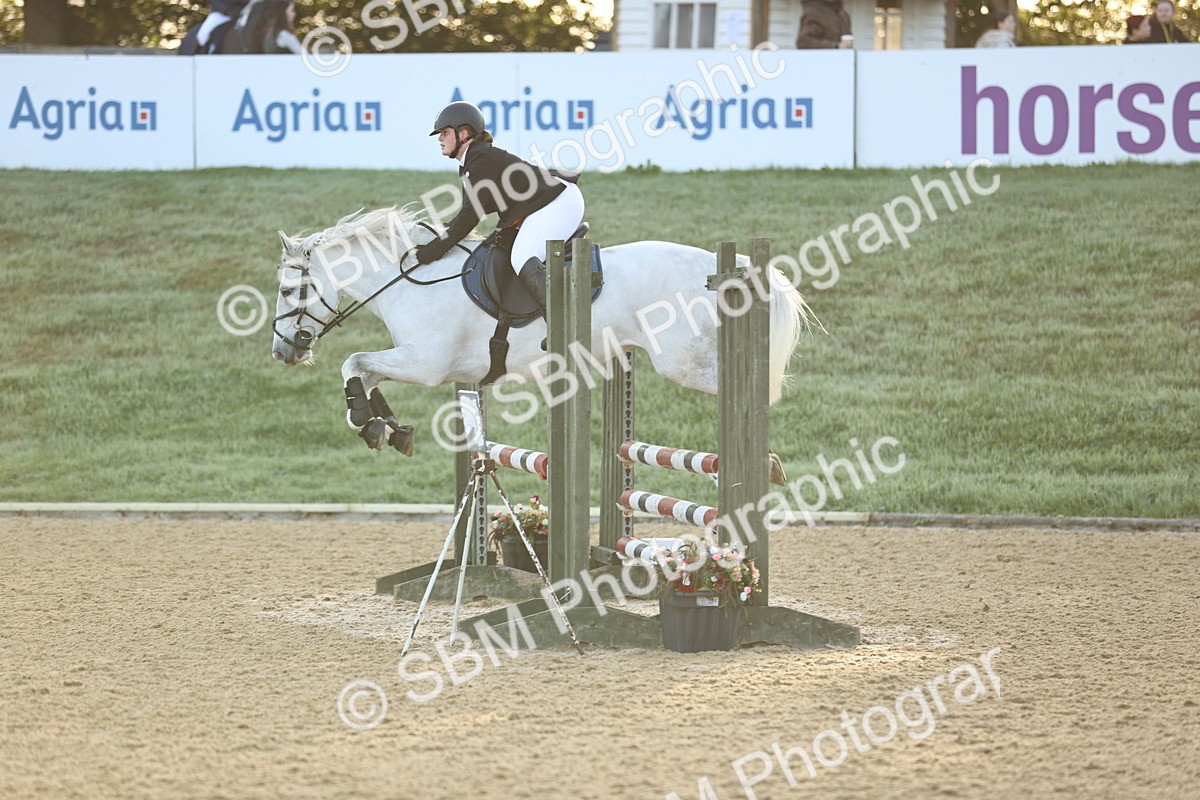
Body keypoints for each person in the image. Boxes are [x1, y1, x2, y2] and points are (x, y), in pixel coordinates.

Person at [414, 102, 585, 350]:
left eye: (444, 133)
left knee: (522, 256)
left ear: (463, 134)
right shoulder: (472, 161)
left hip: (559, 201)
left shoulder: (480, 160)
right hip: (545, 203)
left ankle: (563, 326)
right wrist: (437, 237)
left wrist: (432, 251)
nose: (439, 138)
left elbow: (469, 218)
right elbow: (466, 215)